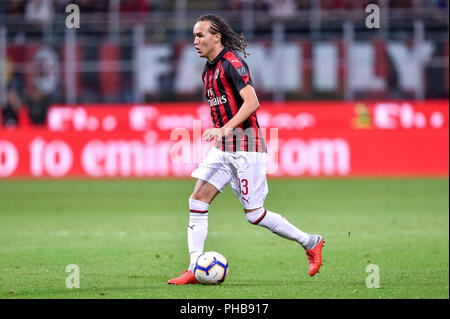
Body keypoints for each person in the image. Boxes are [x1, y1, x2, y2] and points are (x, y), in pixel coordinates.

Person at [168, 14, 324, 285]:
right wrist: (221, 135)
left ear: (217, 37)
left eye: (201, 35)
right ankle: (195, 267)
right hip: (224, 147)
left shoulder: (232, 63)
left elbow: (252, 103)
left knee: (255, 214)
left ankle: (310, 242)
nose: (195, 41)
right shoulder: (208, 70)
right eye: (194, 35)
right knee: (197, 199)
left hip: (246, 145)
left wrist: (224, 129)